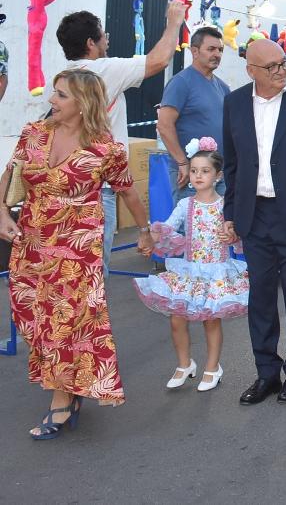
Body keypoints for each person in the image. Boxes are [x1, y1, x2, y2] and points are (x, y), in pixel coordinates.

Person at [0, 70, 155, 438]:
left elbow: (128, 192)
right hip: (33, 242)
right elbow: (8, 178)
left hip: (77, 248)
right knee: (32, 317)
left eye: (61, 95)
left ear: (83, 104)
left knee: (66, 322)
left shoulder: (107, 149)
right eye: (54, 93)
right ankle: (69, 382)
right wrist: (2, 214)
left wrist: (145, 231)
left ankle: (62, 401)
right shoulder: (33, 134)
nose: (52, 100)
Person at [221, 38, 286, 406]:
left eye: (284, 63)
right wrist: (231, 214)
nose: (282, 71)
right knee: (260, 294)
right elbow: (231, 165)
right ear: (251, 71)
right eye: (273, 67)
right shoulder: (234, 104)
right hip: (253, 213)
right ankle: (266, 373)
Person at [56, 3, 185, 271]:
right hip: (98, 191)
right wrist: (174, 22)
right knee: (93, 272)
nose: (108, 39)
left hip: (66, 186)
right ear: (91, 43)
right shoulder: (102, 71)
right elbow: (159, 60)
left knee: (70, 270)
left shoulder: (61, 79)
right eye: (103, 34)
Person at [134, 138, 247, 392]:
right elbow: (168, 228)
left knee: (210, 320)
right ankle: (185, 364)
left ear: (218, 175)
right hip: (189, 270)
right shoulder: (186, 204)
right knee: (176, 319)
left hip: (216, 271)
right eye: (194, 170)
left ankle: (212, 367)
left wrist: (232, 235)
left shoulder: (225, 206)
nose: (198, 176)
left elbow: (237, 234)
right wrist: (149, 238)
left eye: (205, 171)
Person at [157, 27, 230, 199]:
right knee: (189, 224)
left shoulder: (223, 87)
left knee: (220, 225)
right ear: (195, 51)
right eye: (211, 49)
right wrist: (183, 162)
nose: (217, 54)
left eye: (220, 50)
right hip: (191, 175)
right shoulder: (181, 83)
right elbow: (164, 125)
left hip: (218, 174)